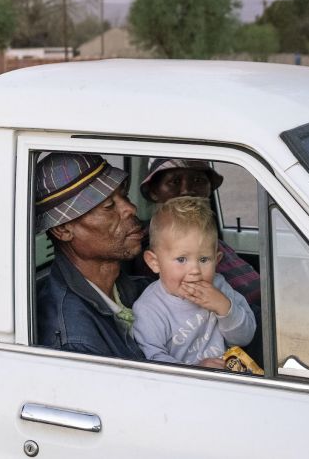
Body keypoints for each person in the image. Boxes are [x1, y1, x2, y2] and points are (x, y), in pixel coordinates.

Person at [35, 152, 150, 359]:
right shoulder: (75, 342)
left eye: (123, 196)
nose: (130, 208)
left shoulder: (129, 288)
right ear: (63, 230)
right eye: (108, 206)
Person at [131, 196, 256, 368]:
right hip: (186, 387)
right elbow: (152, 360)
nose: (195, 270)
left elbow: (245, 337)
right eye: (181, 259)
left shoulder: (219, 287)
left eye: (204, 259)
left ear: (217, 259)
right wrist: (197, 369)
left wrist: (224, 308)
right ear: (155, 262)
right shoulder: (150, 308)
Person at [139, 158, 261, 309]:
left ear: (209, 189)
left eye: (198, 180)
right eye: (174, 182)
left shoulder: (206, 233)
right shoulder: (159, 246)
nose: (186, 190)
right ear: (154, 192)